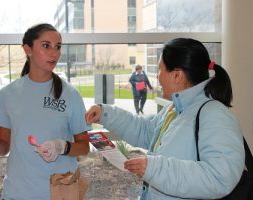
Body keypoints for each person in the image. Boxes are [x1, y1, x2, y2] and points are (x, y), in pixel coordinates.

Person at [85, 38, 245, 199]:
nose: (158, 78)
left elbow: (220, 177)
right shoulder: (174, 109)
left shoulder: (215, 115)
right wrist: (105, 113)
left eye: (160, 70)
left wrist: (155, 169)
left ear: (177, 75)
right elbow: (144, 130)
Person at [0, 23, 90, 200]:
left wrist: (62, 146)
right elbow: (4, 147)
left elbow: (84, 146)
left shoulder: (71, 95)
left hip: (60, 192)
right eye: (46, 46)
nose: (54, 53)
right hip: (17, 193)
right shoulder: (7, 95)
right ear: (27, 49)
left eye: (58, 47)